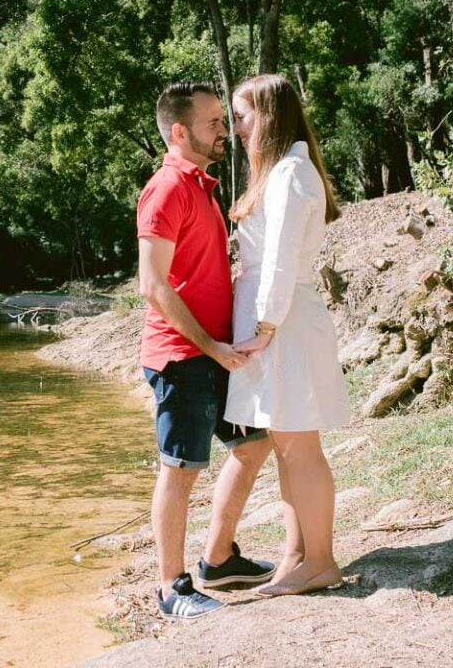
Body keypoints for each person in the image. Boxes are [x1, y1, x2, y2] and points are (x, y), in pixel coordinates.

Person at [137, 81, 276, 620]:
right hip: (182, 356)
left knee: (254, 443)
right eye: (213, 123)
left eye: (224, 120)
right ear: (179, 131)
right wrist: (212, 348)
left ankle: (219, 560)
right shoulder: (166, 189)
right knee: (180, 469)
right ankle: (171, 588)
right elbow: (153, 285)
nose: (224, 131)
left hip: (216, 352)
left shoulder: (201, 186)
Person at [225, 73, 352, 597]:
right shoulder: (280, 172)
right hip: (275, 322)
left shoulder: (293, 174)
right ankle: (296, 556)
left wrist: (264, 328)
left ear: (269, 115)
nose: (236, 128)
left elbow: (279, 262)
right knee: (285, 446)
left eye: (242, 116)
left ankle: (321, 562)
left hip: (284, 324)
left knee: (300, 447)